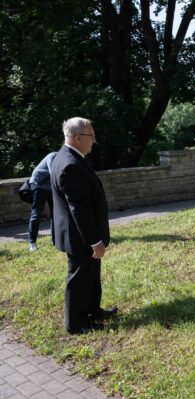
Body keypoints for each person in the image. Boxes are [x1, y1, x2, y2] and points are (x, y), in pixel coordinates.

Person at [50, 117, 117, 334]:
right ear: (78, 138)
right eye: (91, 136)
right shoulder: (70, 164)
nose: (94, 141)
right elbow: (79, 209)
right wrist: (94, 241)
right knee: (79, 277)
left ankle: (93, 311)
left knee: (91, 272)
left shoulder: (69, 156)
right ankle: (76, 324)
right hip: (79, 236)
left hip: (79, 234)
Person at [27, 152, 57, 251]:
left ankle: (55, 240)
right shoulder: (53, 156)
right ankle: (32, 242)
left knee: (55, 214)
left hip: (50, 187)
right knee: (37, 214)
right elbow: (53, 173)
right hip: (39, 185)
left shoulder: (65, 160)